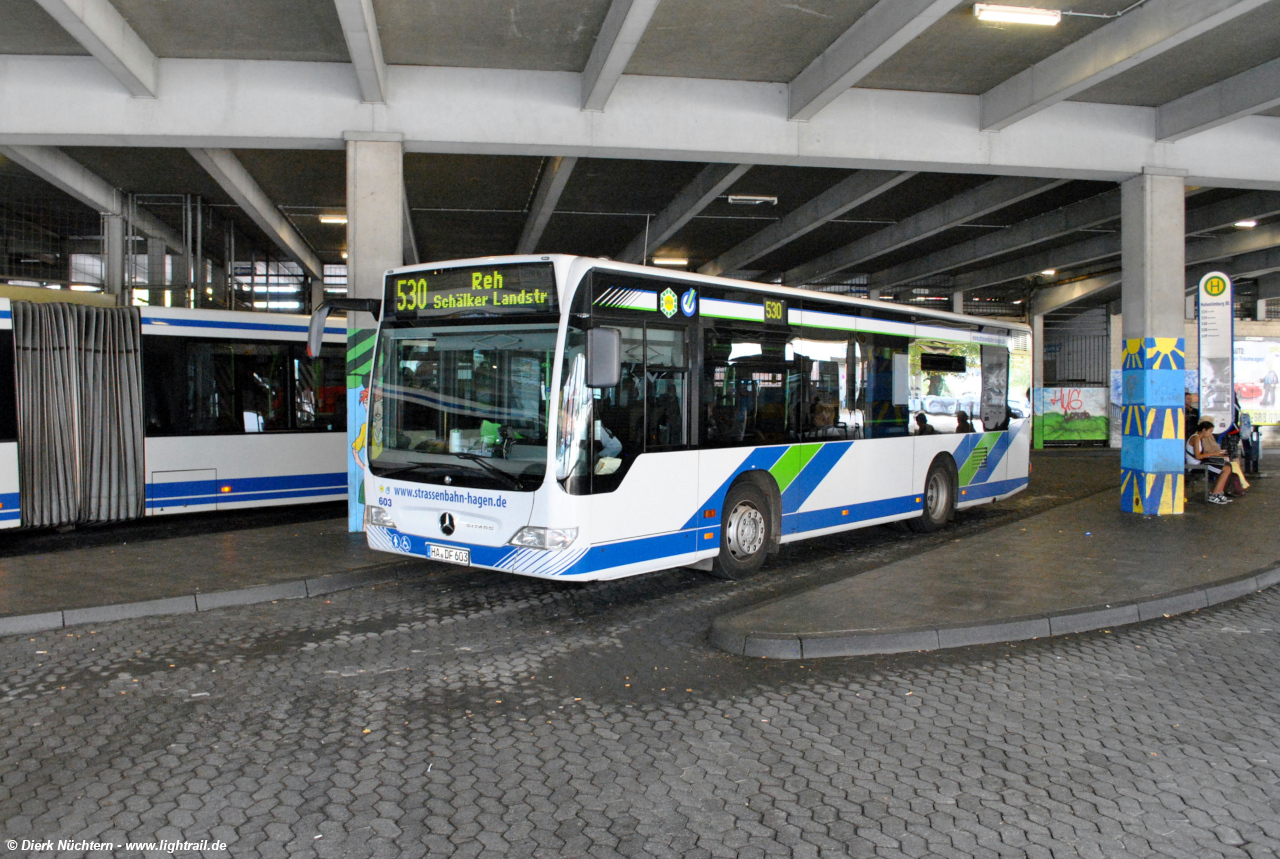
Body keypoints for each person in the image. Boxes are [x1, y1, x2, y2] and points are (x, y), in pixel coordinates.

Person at [1187, 419, 1237, 504]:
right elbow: (1198, 456)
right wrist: (1215, 453)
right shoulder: (1195, 438)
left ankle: (1218, 493)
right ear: (1204, 430)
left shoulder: (1198, 438)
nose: (1210, 434)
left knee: (1227, 467)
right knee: (1226, 469)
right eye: (1210, 431)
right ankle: (1215, 494)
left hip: (1199, 463)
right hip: (1195, 465)